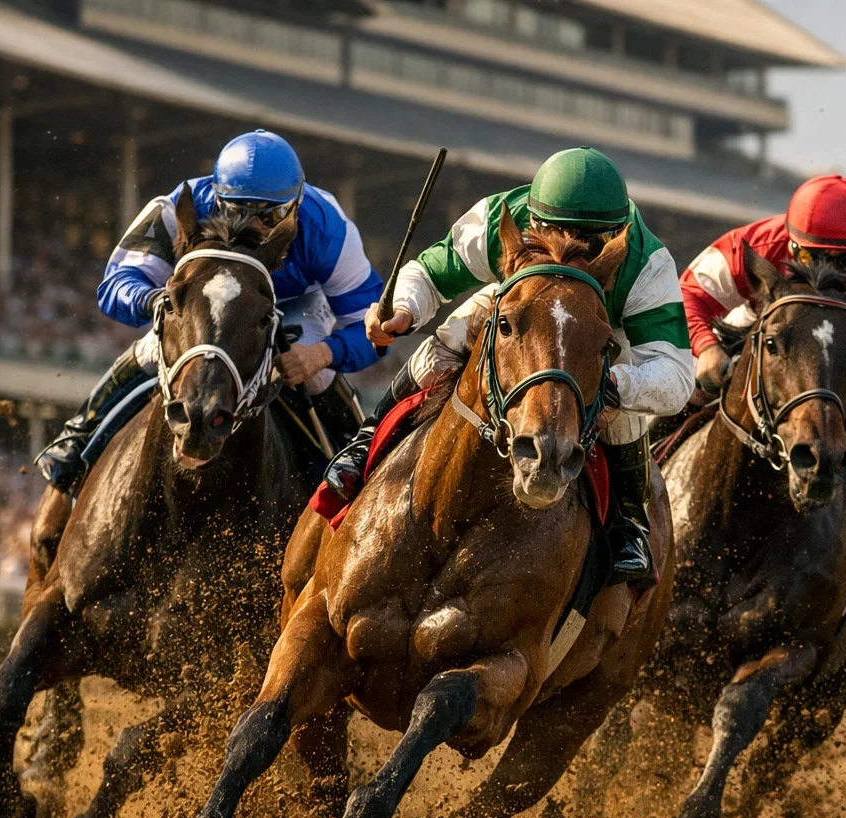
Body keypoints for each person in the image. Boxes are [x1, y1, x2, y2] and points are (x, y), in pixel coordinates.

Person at [326, 147, 692, 584]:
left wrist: (611, 381)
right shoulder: (501, 215)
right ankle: (364, 445)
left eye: (588, 246)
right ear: (532, 223)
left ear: (615, 237)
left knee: (622, 414)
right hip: (521, 303)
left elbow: (675, 376)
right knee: (440, 347)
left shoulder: (646, 263)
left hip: (595, 329)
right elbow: (429, 272)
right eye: (554, 235)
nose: (568, 252)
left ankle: (628, 523)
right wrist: (404, 310)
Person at [35, 129, 383, 495]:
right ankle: (77, 436)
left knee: (315, 374)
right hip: (209, 303)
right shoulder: (176, 206)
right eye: (237, 211)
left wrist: (321, 355)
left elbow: (373, 326)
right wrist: (155, 301)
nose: (254, 228)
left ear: (296, 204)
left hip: (296, 307)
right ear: (216, 199)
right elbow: (116, 284)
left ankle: (359, 473)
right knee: (154, 346)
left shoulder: (329, 228)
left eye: (272, 217)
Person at [678, 174, 846, 578]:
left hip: (837, 358)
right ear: (790, 243)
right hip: (764, 326)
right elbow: (687, 292)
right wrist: (706, 347)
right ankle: (632, 498)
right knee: (676, 385)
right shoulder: (760, 242)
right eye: (811, 258)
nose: (827, 270)